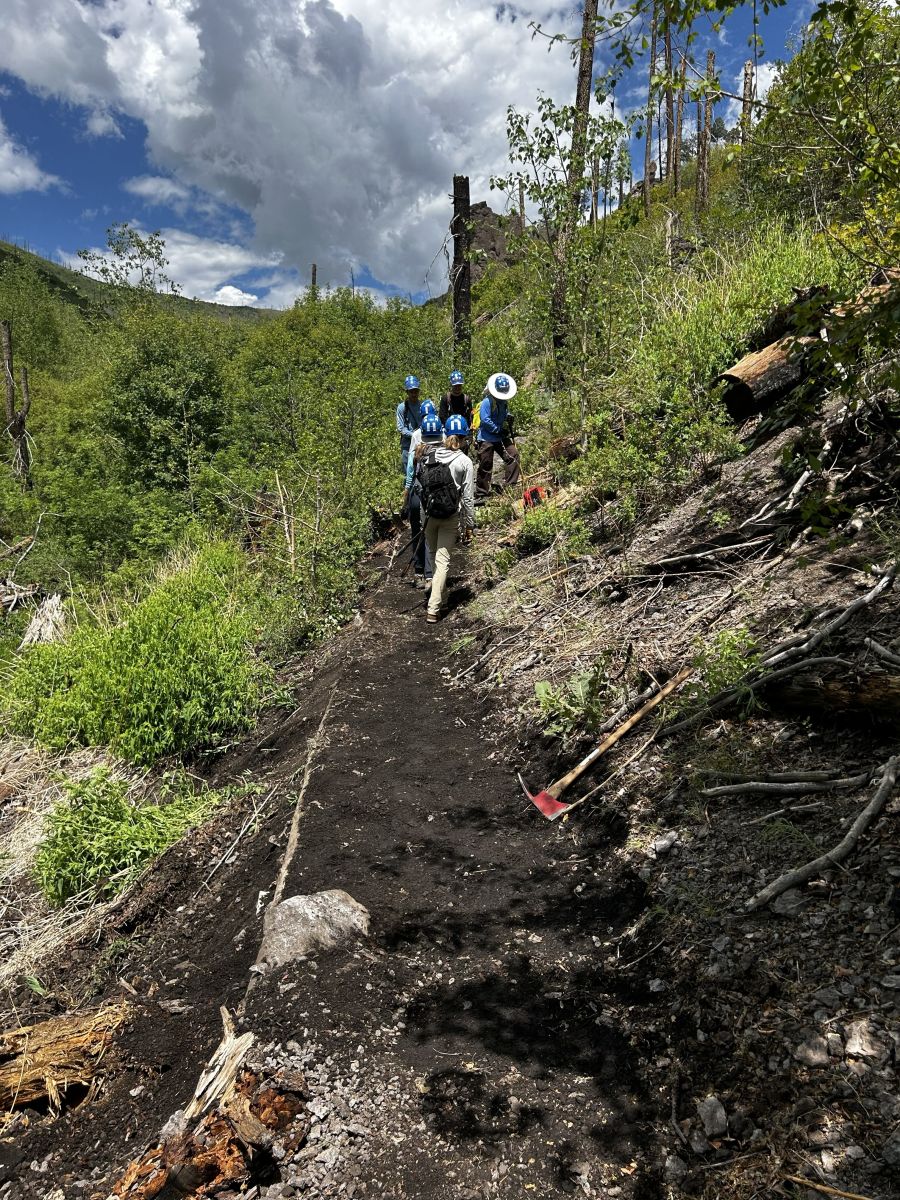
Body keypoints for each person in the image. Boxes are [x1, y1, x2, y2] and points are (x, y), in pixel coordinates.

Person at [422, 414, 475, 624]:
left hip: (429, 515)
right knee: (443, 562)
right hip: (450, 516)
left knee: (435, 558)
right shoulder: (464, 461)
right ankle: (433, 608)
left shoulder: (431, 456)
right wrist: (470, 524)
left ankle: (443, 600)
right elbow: (468, 497)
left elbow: (422, 487)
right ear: (462, 438)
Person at [401, 407, 441, 587]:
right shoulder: (442, 441)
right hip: (434, 492)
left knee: (418, 530)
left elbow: (410, 472)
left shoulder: (416, 444)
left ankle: (419, 571)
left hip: (417, 491)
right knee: (431, 530)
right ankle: (429, 574)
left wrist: (406, 494)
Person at [475, 372, 521, 501]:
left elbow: (503, 414)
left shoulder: (503, 402)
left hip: (499, 436)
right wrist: (498, 430)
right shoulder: (487, 402)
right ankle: (481, 494)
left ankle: (510, 486)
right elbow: (485, 420)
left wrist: (508, 416)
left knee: (513, 455)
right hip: (486, 437)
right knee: (486, 464)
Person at [396, 375, 422, 475]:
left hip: (421, 444)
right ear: (407, 392)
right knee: (408, 472)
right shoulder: (402, 408)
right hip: (407, 445)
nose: (414, 394)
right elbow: (400, 428)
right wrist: (413, 435)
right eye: (411, 391)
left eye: (415, 391)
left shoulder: (422, 406)